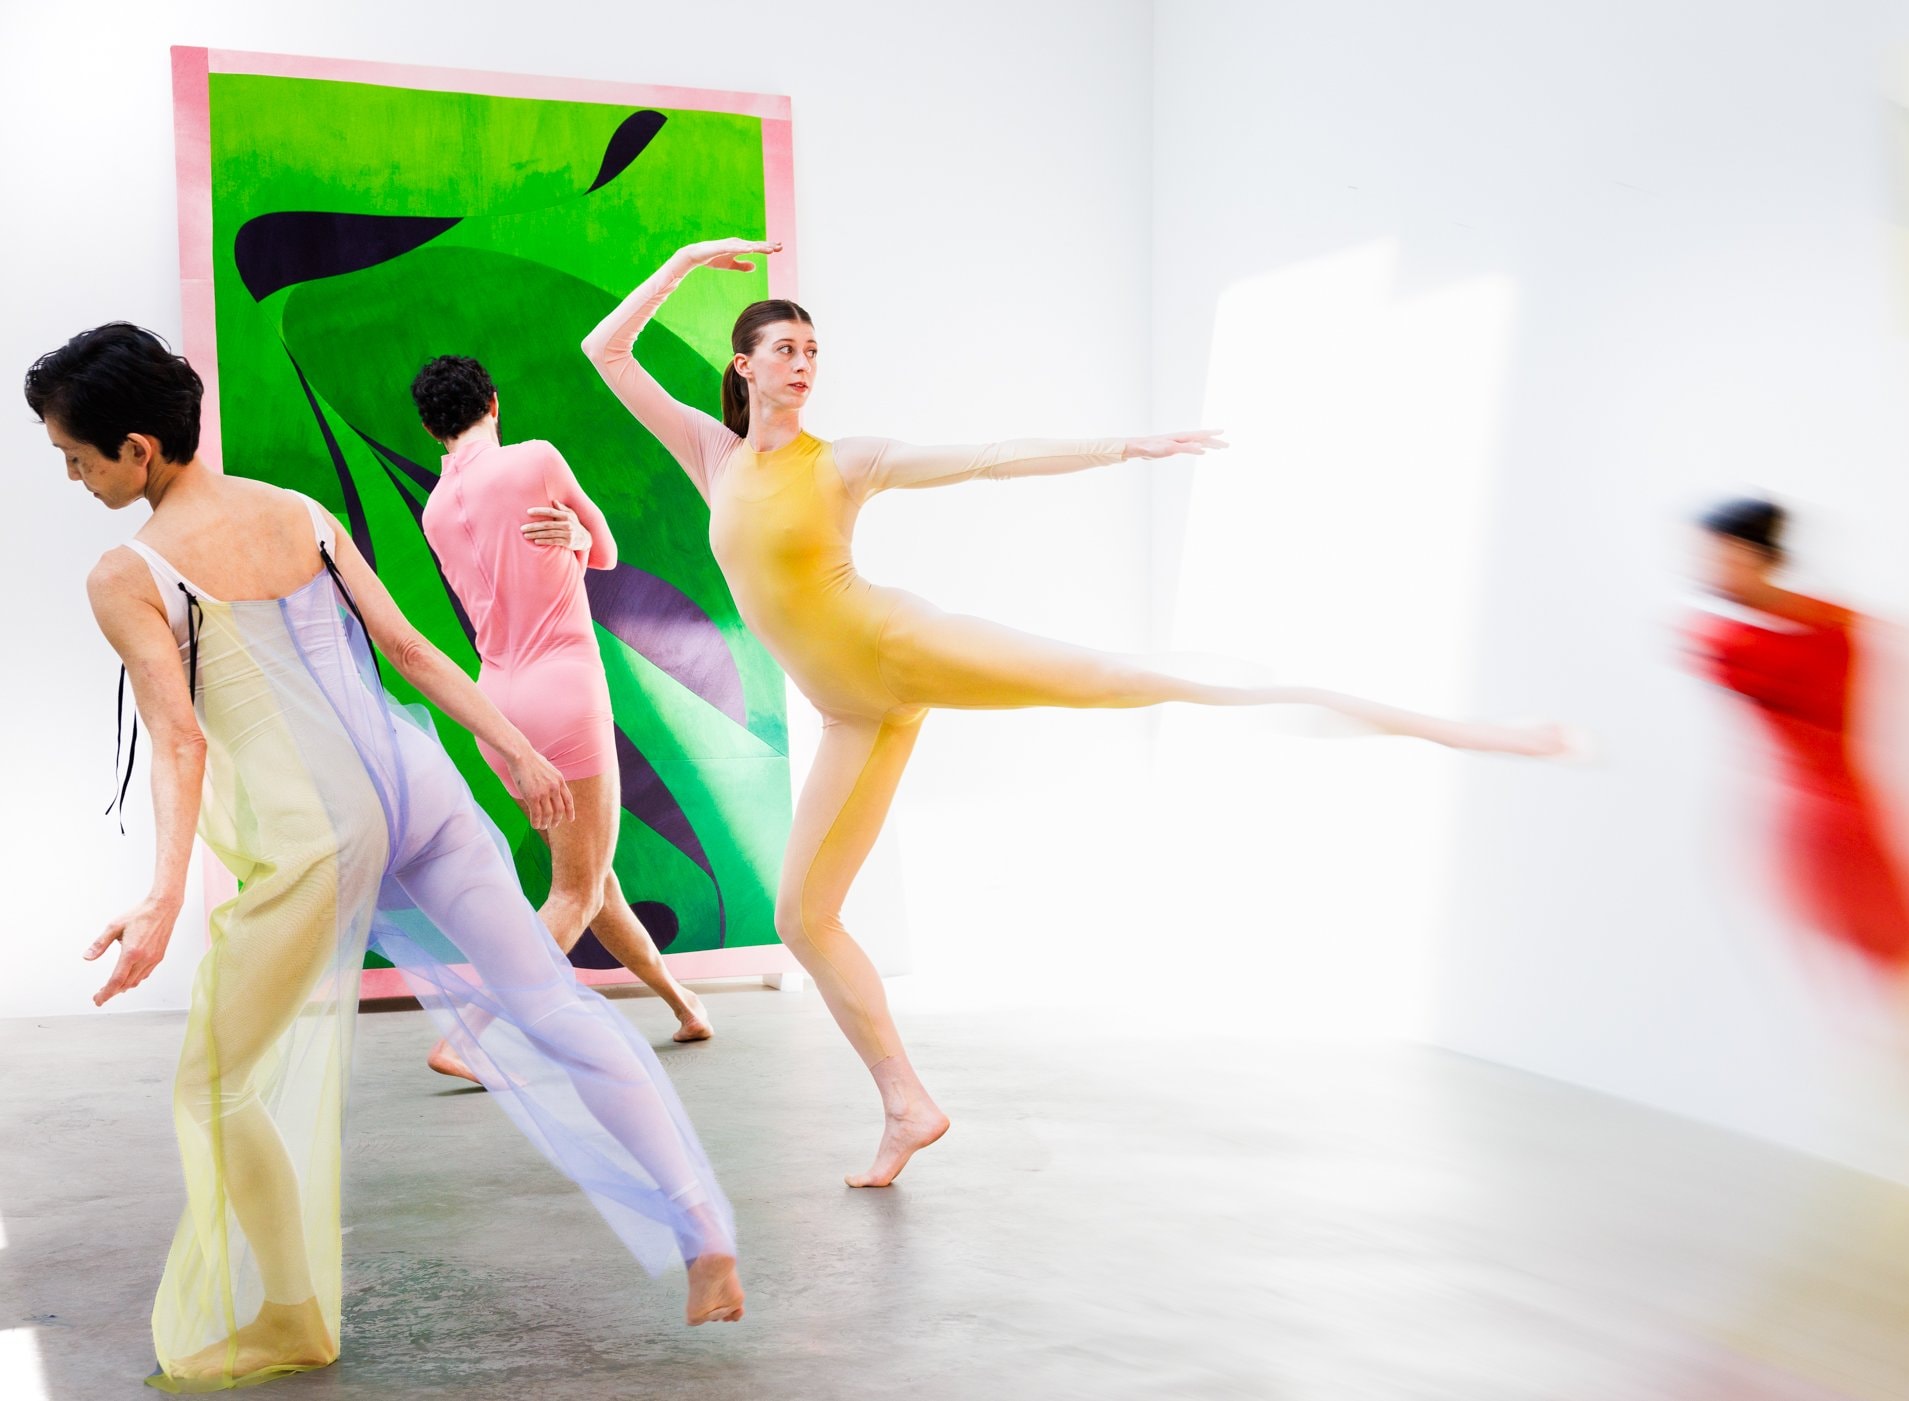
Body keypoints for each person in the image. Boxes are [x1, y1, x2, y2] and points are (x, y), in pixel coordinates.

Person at [585, 237, 1572, 1187]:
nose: (803, 365)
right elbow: (607, 350)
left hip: (898, 647)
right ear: (742, 367)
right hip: (849, 713)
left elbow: (989, 457)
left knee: (1125, 677)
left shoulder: (844, 461)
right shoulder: (711, 455)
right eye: (785, 350)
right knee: (802, 918)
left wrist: (1126, 447)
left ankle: (1455, 728)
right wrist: (681, 266)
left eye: (812, 351)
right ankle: (906, 1106)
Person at [29, 323, 742, 1392]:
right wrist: (511, 753)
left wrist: (164, 897)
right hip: (422, 790)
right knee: (553, 1001)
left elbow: (178, 738)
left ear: (138, 448)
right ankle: (700, 1225)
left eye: (76, 459)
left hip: (320, 834)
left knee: (217, 1087)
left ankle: (288, 1317)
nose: (76, 480)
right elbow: (409, 650)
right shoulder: (302, 512)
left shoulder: (126, 570)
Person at [411, 354, 711, 1081]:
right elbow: (604, 551)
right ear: (493, 399)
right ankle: (468, 1034)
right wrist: (576, 540)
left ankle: (684, 1004)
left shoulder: (432, 509)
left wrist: (569, 546)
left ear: (429, 428)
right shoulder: (534, 459)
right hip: (563, 689)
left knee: (591, 878)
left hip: (498, 704)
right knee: (573, 891)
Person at [1685, 497, 1909, 969]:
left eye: (1722, 557)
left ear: (1760, 558)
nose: (1707, 571)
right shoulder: (1804, 627)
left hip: (1832, 820)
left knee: (1892, 952)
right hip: (1826, 815)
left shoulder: (1734, 640)